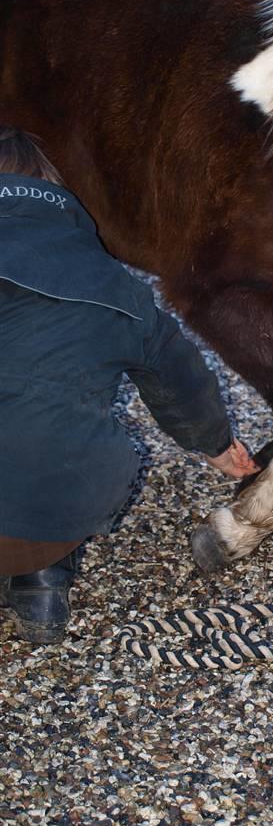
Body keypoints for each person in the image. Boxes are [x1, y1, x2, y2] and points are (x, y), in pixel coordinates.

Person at [0, 127, 258, 644]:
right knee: (59, 433)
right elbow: (179, 376)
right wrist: (216, 446)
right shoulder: (116, 283)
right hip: (54, 514)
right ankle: (42, 583)